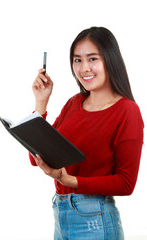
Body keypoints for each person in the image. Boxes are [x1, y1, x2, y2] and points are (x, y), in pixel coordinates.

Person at [29, 27, 144, 240]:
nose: (84, 68)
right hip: (61, 214)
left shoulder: (127, 111)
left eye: (92, 59)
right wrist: (41, 102)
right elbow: (37, 158)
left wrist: (69, 180)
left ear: (110, 59)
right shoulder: (74, 103)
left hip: (95, 220)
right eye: (77, 60)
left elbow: (126, 183)